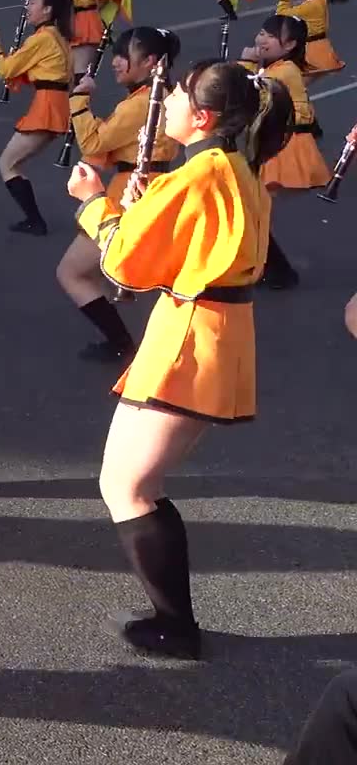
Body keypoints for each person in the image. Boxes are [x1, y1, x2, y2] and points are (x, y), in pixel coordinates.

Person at [64, 59, 292, 660]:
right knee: (138, 481)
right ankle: (172, 618)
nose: (165, 104)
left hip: (189, 334)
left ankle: (174, 625)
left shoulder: (198, 173)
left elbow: (123, 267)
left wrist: (94, 203)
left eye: (178, 96)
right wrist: (142, 208)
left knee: (127, 482)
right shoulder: (235, 166)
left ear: (203, 115)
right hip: (217, 328)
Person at [58, 27, 181, 362]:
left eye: (125, 55)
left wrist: (80, 103)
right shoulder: (158, 96)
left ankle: (123, 343)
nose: (116, 62)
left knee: (72, 271)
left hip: (130, 191)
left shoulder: (139, 104)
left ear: (151, 62)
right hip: (153, 185)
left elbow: (95, 143)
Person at [242, 14, 330, 290]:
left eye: (270, 36)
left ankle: (277, 271)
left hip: (288, 150)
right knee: (254, 210)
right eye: (261, 33)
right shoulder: (278, 67)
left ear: (290, 44)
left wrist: (245, 62)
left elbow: (249, 94)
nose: (261, 39)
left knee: (254, 210)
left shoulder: (283, 71)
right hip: (281, 145)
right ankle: (271, 268)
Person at [0, 0, 73, 235]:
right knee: (13, 164)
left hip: (46, 108)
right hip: (55, 104)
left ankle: (35, 221)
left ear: (47, 10)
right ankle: (33, 219)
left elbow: (6, 69)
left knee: (7, 164)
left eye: (33, 3)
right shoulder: (57, 37)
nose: (28, 7)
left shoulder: (42, 38)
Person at [275, 0, 346, 78]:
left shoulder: (313, 4)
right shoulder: (318, 0)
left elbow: (281, 14)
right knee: (295, 87)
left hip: (314, 53)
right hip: (315, 49)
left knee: (294, 88)